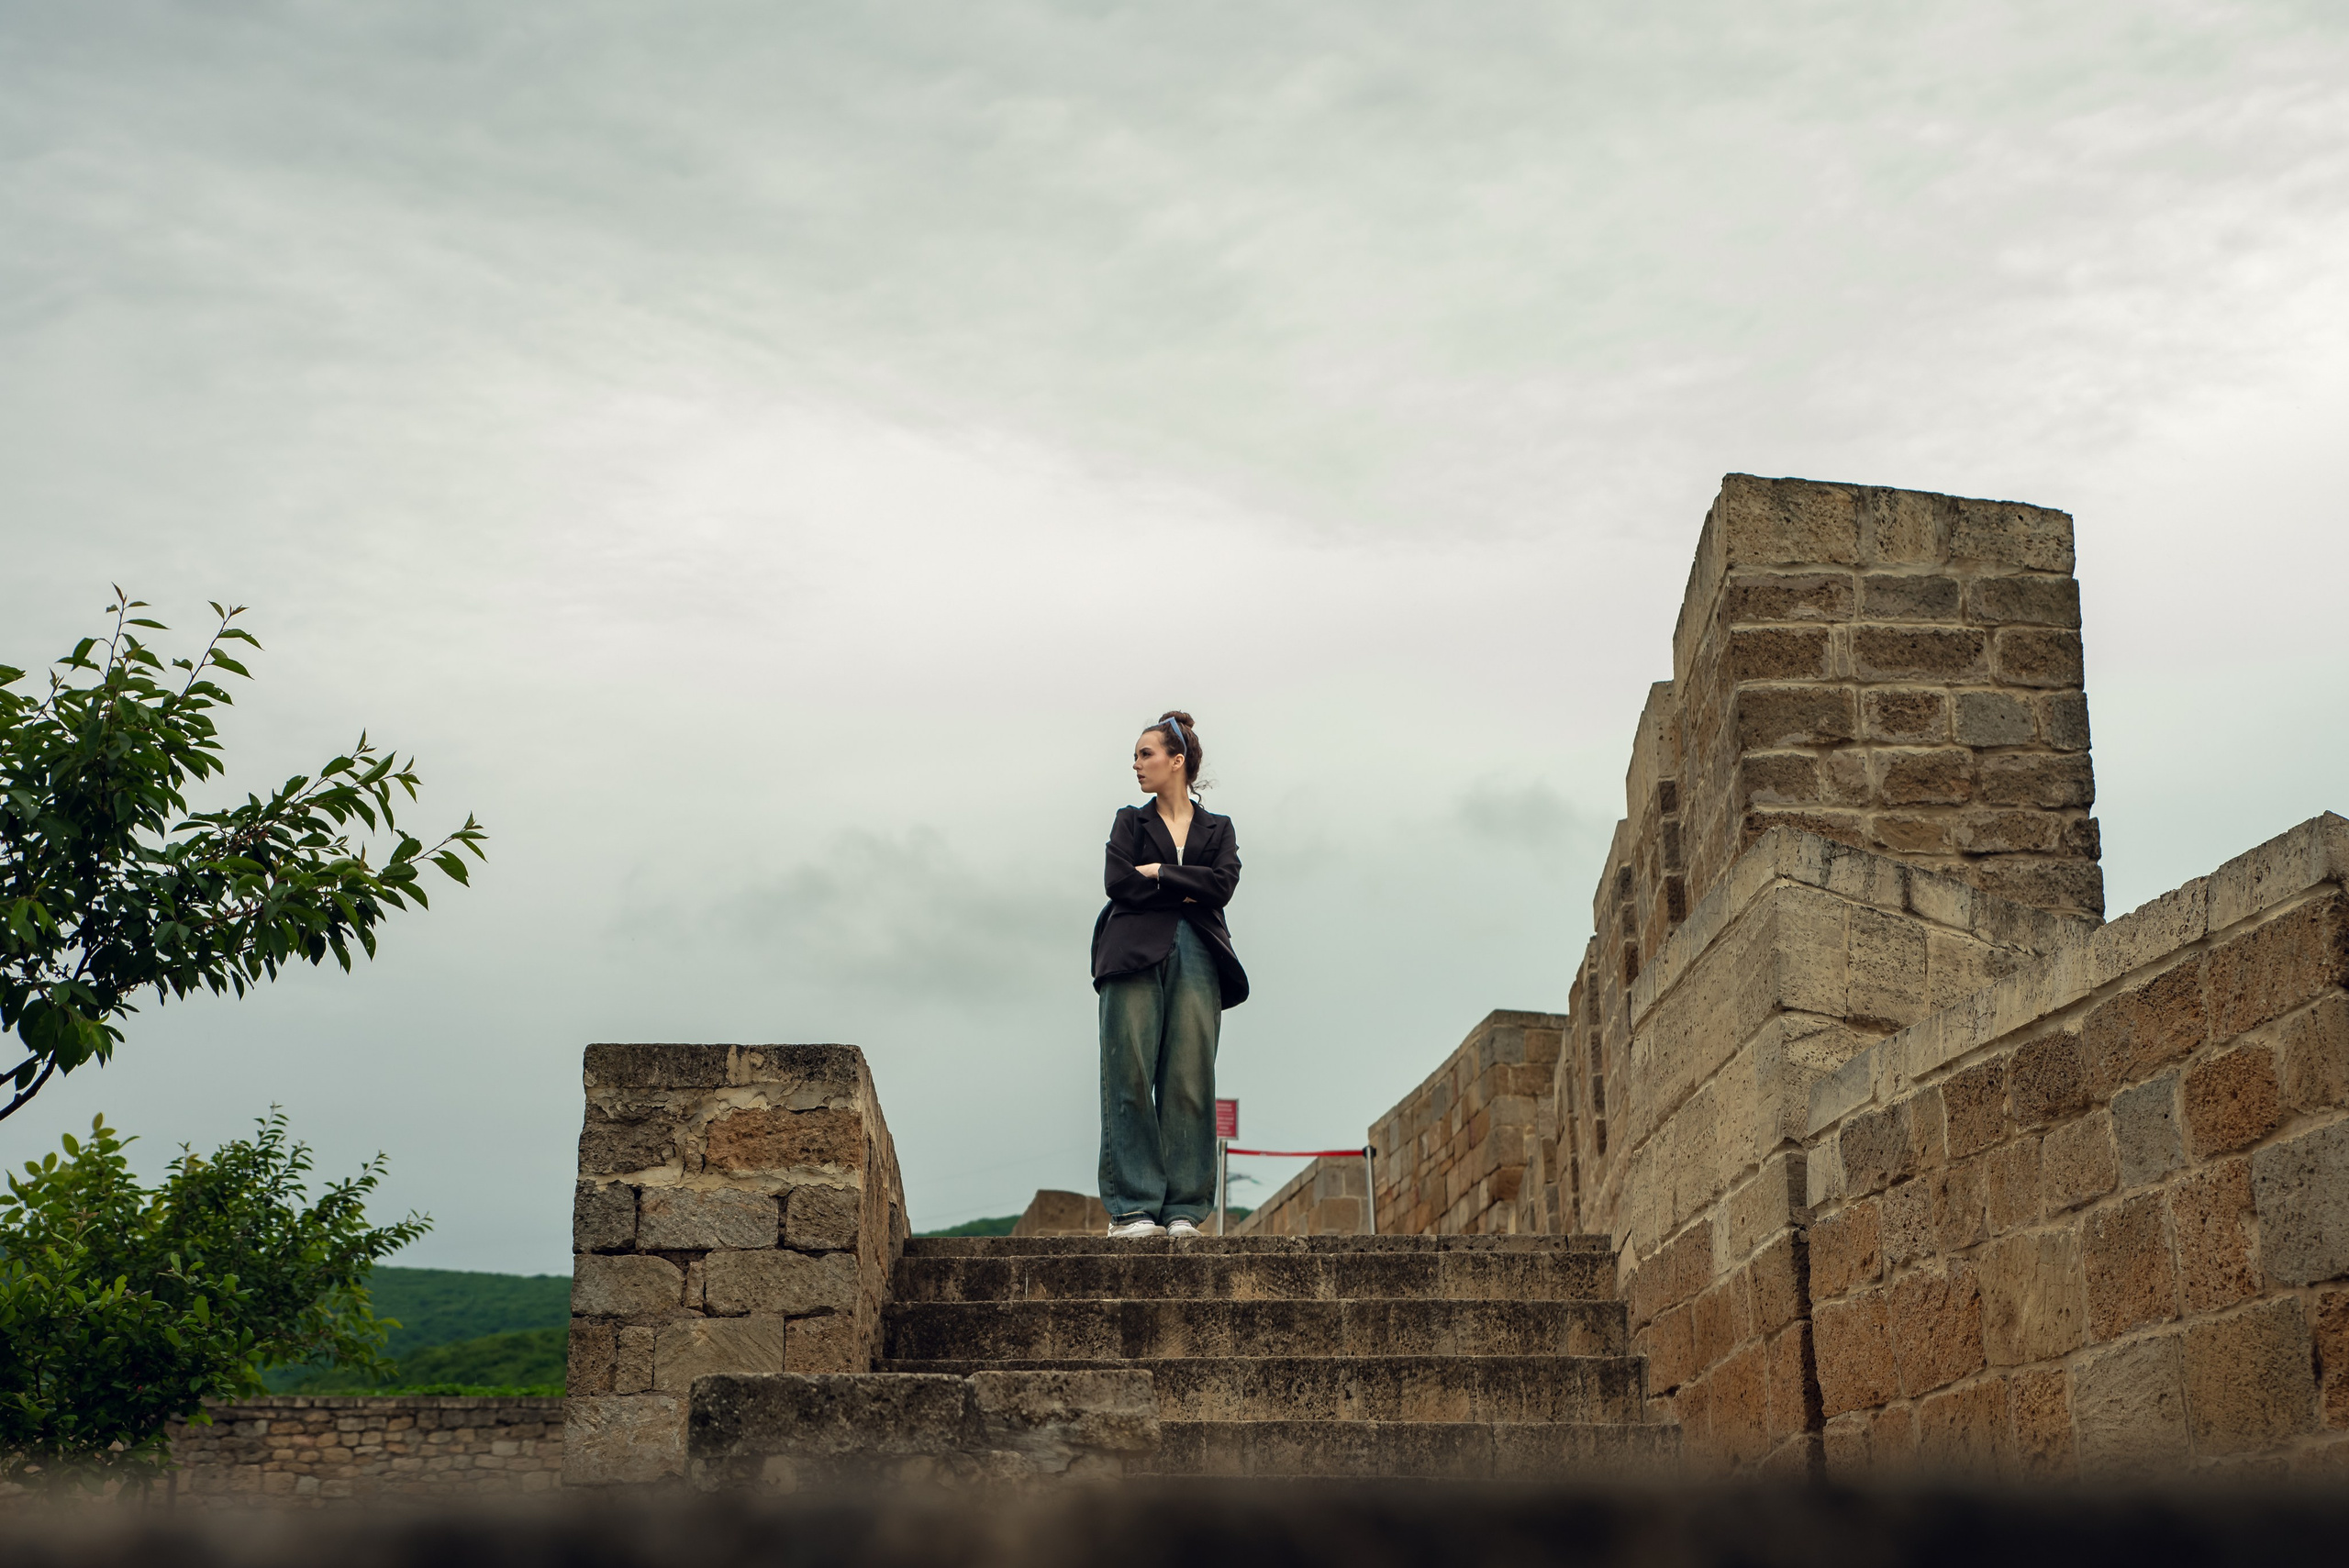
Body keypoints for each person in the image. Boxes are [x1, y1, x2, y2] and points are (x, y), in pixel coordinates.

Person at [1090, 710, 1249, 1240]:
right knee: (1129, 1074)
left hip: (1201, 954)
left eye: (1146, 754)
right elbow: (1118, 882)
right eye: (1136, 755)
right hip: (1131, 952)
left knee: (1189, 1079)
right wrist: (1188, 884)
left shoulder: (1218, 828)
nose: (1136, 764)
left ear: (1176, 761)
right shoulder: (1129, 822)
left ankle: (1183, 1209)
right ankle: (1132, 1209)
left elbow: (1222, 885)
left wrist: (1159, 872)